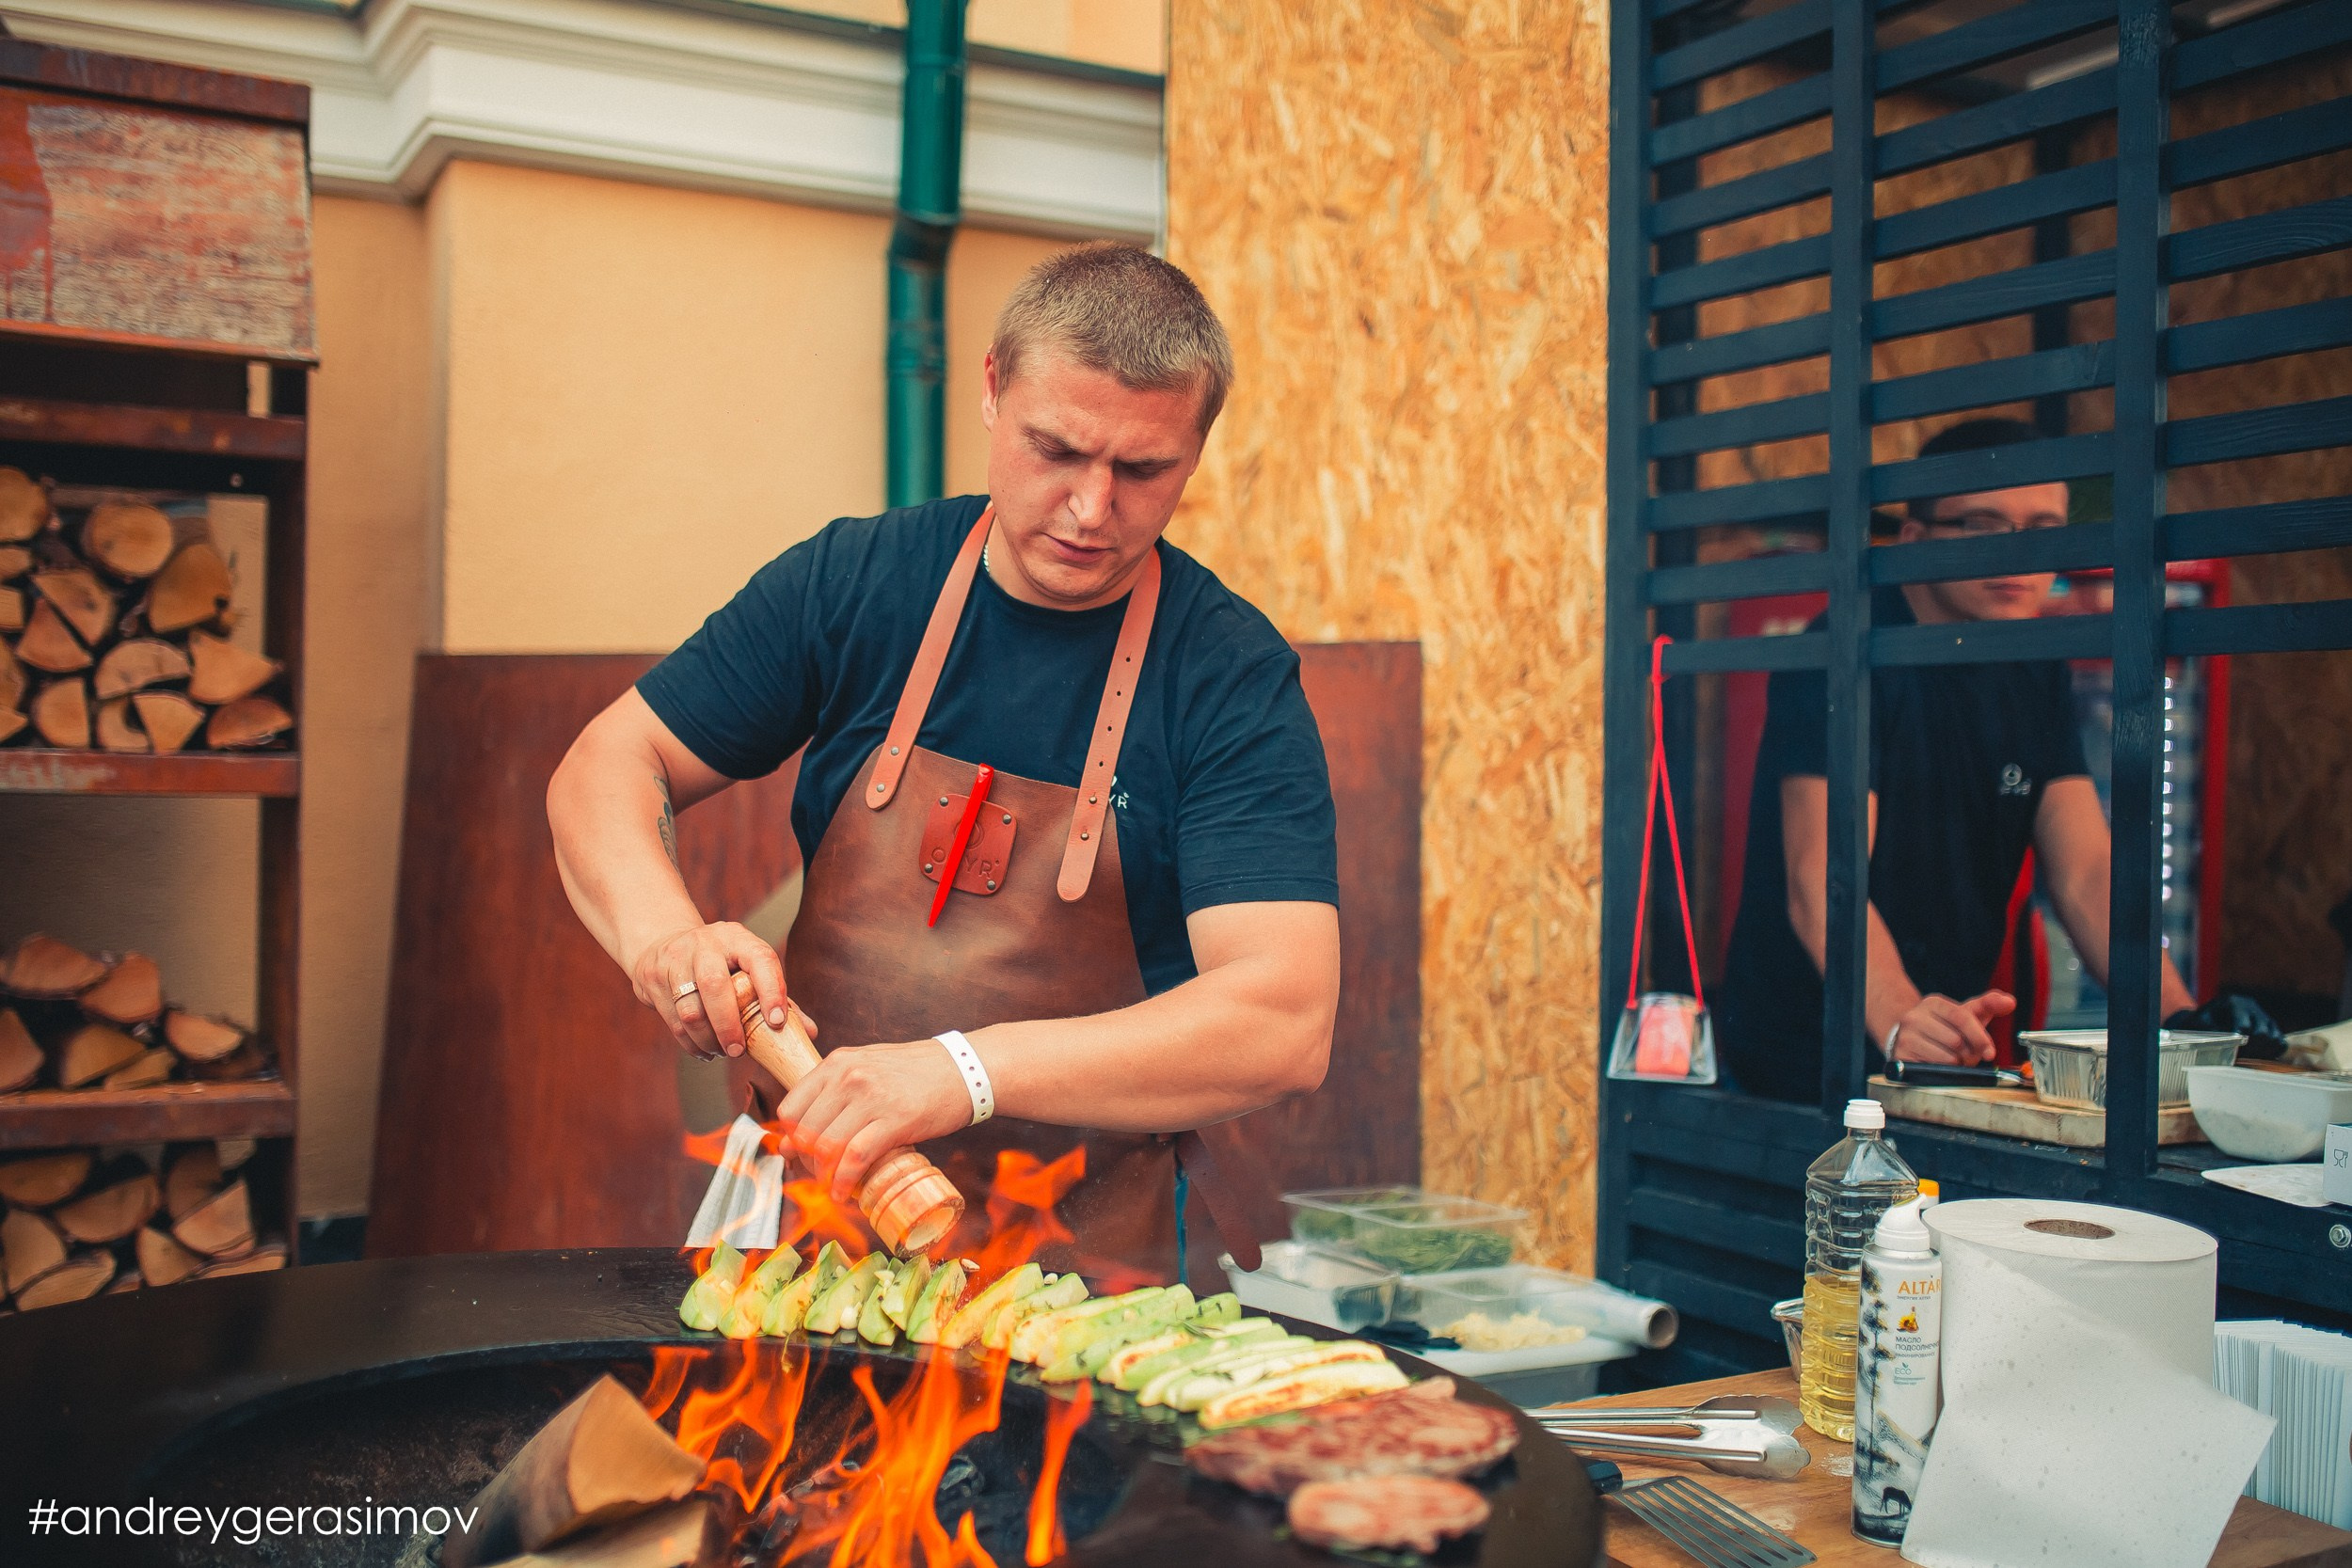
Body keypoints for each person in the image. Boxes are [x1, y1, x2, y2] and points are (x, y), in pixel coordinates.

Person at [547, 245, 1341, 1278]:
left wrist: (963, 1071)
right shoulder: (857, 581)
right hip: (809, 1242)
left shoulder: (1228, 677)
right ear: (992, 388)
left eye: (1143, 470)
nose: (1091, 508)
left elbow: (1283, 1016)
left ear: (1196, 450)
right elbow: (611, 760)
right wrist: (666, 940)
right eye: (1056, 449)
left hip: (1080, 1280)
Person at [1717, 417, 2194, 1101]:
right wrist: (1901, 1018)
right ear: (1914, 540)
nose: (2019, 555)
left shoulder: (2034, 666)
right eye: (1982, 526)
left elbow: (2088, 872)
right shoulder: (1844, 650)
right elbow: (1821, 875)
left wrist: (2181, 1021)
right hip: (1803, 1062)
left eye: (2044, 529)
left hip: (1945, 1059)